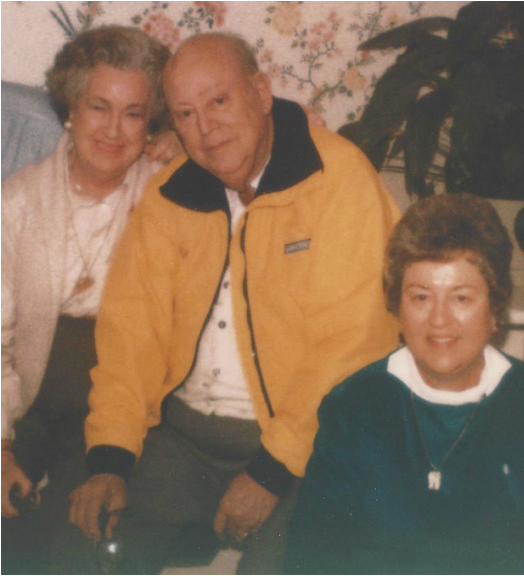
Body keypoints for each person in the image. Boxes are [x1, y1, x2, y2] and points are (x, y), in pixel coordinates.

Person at [65, 32, 400, 574]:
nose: (206, 127)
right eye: (186, 114)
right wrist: (109, 458)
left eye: (219, 101)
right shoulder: (169, 196)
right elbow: (131, 336)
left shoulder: (339, 180)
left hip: (304, 452)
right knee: (86, 550)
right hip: (182, 440)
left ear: (262, 91)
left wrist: (271, 472)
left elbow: (354, 344)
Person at [286, 194, 524, 574]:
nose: (439, 319)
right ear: (398, 306)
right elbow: (312, 559)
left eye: (461, 298)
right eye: (421, 297)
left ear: (495, 307)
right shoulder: (354, 406)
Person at [1, 26, 173, 574]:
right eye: (99, 106)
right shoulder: (18, 199)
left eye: (134, 113)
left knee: (77, 539)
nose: (114, 130)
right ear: (70, 107)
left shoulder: (168, 196)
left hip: (111, 406)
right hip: (22, 391)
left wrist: (186, 146)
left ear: (151, 123)